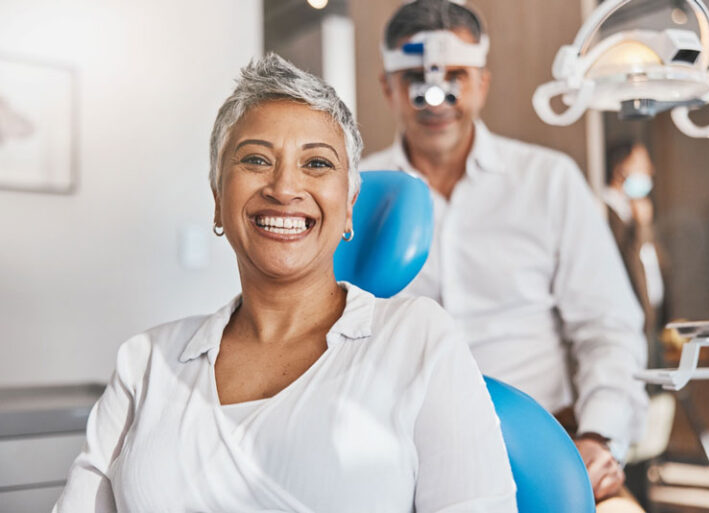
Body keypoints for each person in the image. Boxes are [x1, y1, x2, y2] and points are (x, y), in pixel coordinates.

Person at [53, 53, 517, 513]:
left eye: (316, 164)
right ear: (218, 199)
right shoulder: (146, 361)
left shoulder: (417, 337)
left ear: (350, 205)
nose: (283, 188)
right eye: (256, 159)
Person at [360, 0, 648, 509]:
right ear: (387, 88)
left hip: (551, 443)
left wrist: (600, 436)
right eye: (415, 79)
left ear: (482, 83)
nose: (436, 97)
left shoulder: (549, 180)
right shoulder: (356, 195)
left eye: (455, 76)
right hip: (403, 455)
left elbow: (609, 326)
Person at [604, 141, 666, 362]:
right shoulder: (605, 210)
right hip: (625, 320)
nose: (650, 171)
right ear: (620, 167)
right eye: (642, 164)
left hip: (649, 319)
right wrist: (640, 226)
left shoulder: (637, 208)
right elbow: (625, 259)